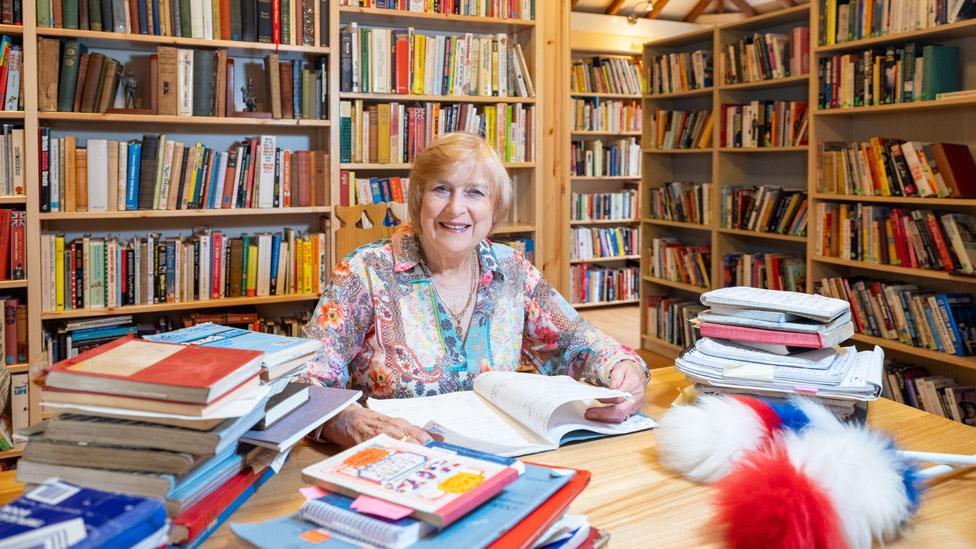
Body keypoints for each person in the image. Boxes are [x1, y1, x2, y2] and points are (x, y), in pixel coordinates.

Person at [302, 133, 649, 448]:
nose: (456, 208)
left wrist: (625, 370)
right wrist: (345, 420)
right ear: (419, 200)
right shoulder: (365, 270)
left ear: (494, 209)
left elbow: (579, 343)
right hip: (400, 457)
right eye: (441, 189)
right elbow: (305, 382)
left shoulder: (512, 270)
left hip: (507, 454)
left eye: (475, 192)